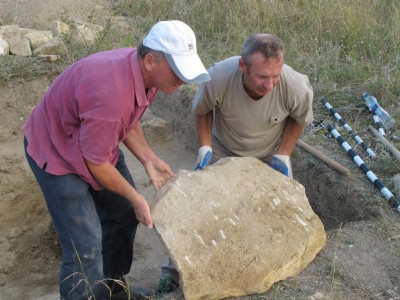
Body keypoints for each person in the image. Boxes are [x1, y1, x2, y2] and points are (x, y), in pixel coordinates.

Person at [22, 20, 210, 300]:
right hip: (56, 150)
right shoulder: (110, 89)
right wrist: (137, 197)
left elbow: (128, 117)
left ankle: (110, 288)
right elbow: (96, 162)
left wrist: (148, 157)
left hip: (92, 140)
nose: (182, 80)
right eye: (178, 71)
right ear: (150, 60)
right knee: (84, 242)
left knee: (122, 215)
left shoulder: (148, 75)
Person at [158, 33, 314, 294]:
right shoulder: (219, 77)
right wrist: (205, 146)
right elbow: (203, 109)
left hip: (267, 157)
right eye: (262, 77)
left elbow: (299, 117)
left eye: (275, 76)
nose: (269, 85)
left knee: (266, 214)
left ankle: (253, 271)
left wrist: (284, 153)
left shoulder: (295, 86)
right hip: (223, 151)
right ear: (243, 66)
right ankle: (172, 272)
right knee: (201, 212)